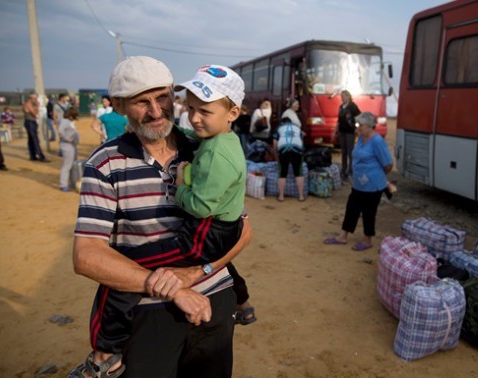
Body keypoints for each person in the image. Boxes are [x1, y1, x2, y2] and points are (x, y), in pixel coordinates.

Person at [70, 56, 252, 378]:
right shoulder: (104, 164)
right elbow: (87, 256)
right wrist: (172, 288)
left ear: (173, 92)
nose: (156, 111)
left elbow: (243, 230)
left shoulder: (202, 147)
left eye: (162, 97)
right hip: (148, 314)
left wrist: (196, 272)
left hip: (215, 307)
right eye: (142, 102)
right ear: (120, 105)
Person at [323, 111, 393, 251]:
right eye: (358, 124)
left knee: (369, 212)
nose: (358, 128)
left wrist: (378, 175)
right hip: (359, 183)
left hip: (373, 185)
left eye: (360, 125)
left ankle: (367, 240)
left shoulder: (377, 141)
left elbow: (388, 164)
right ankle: (343, 236)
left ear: (370, 126)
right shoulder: (361, 138)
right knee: (352, 208)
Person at [273, 117, 306, 202]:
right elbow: (301, 139)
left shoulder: (279, 128)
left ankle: (281, 196)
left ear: (282, 123)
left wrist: (276, 153)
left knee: (282, 172)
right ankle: (301, 196)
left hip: (283, 150)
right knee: (298, 172)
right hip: (297, 149)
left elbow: (275, 143)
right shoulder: (297, 127)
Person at [333, 90, 360, 180]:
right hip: (342, 131)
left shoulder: (352, 106)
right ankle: (344, 169)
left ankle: (351, 170)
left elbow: (359, 116)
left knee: (350, 151)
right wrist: (335, 131)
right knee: (343, 151)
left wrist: (356, 128)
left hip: (350, 132)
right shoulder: (341, 107)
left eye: (343, 96)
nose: (342, 98)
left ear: (348, 96)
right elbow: (339, 120)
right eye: (341, 96)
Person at [22, 93, 49, 162]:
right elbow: (34, 114)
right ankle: (41, 156)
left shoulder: (28, 104)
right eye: (35, 98)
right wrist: (37, 106)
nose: (36, 100)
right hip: (30, 122)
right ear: (31, 98)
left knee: (31, 140)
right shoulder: (28, 104)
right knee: (35, 139)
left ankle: (32, 155)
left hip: (30, 122)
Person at [58, 107, 80, 192]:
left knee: (72, 165)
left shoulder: (69, 122)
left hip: (72, 146)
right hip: (67, 145)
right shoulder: (65, 121)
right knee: (67, 166)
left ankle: (72, 182)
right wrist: (67, 138)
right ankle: (63, 184)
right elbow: (60, 131)